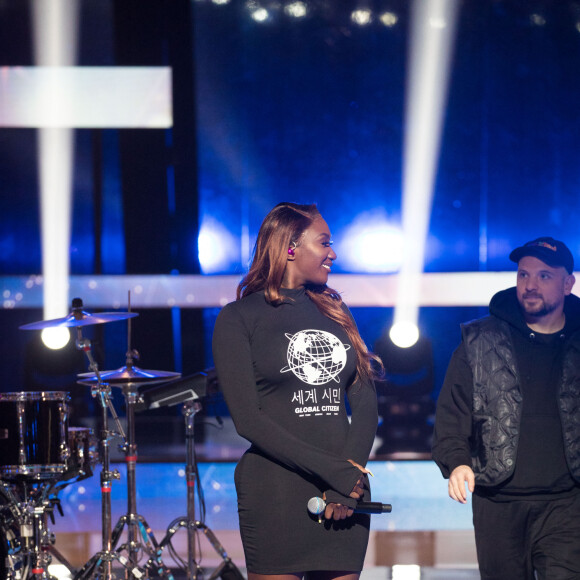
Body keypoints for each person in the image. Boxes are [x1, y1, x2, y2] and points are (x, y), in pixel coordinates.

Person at [212, 202, 381, 580]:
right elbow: (248, 420)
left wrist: (348, 479)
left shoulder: (335, 310)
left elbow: (366, 401)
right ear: (290, 247)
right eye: (324, 243)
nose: (333, 253)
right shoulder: (238, 318)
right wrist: (335, 473)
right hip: (277, 490)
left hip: (345, 491)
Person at [432, 236, 580, 580]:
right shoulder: (479, 340)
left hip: (568, 503)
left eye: (544, 276)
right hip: (497, 503)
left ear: (568, 283)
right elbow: (451, 414)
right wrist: (456, 463)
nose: (530, 285)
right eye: (523, 275)